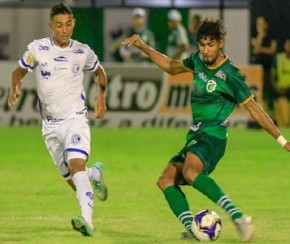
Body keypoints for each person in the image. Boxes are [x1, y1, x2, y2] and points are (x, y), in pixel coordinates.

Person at [122, 18, 290, 242]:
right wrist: (143, 46)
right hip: (196, 135)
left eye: (210, 45)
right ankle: (194, 230)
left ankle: (238, 217)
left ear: (220, 43)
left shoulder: (230, 75)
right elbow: (172, 67)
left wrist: (282, 140)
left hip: (213, 137)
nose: (205, 50)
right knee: (165, 180)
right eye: (201, 45)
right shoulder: (197, 61)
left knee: (191, 173)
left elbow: (254, 109)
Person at [7, 3, 108, 237]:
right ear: (51, 26)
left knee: (76, 166)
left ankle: (87, 221)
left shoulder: (83, 51)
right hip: (50, 127)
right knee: (74, 179)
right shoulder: (37, 48)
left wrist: (101, 96)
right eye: (59, 25)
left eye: (69, 24)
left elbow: (99, 71)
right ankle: (95, 174)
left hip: (75, 119)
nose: (65, 30)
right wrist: (15, 88)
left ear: (74, 23)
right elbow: (18, 72)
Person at [251, 16, 277, 120]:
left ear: (265, 24)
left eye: (261, 23)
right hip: (257, 69)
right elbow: (256, 49)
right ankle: (259, 118)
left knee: (268, 92)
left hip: (268, 68)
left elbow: (272, 50)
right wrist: (260, 35)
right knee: (258, 93)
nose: (260, 25)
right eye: (258, 23)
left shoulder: (271, 36)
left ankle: (272, 116)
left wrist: (261, 49)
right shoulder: (255, 36)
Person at [272, 38, 290, 127]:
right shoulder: (278, 58)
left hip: (288, 91)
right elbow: (273, 75)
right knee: (283, 122)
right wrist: (276, 88)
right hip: (281, 93)